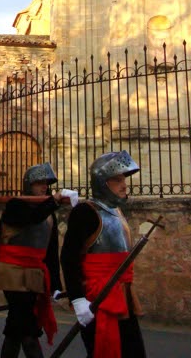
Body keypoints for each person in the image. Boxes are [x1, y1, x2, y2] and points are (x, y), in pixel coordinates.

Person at [61, 151, 147, 358]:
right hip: (97, 297)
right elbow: (69, 257)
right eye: (117, 179)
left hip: (122, 293)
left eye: (124, 178)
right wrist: (78, 299)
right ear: (102, 182)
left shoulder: (116, 211)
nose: (124, 185)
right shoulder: (86, 212)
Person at [0, 163, 78, 358]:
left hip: (34, 274)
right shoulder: (15, 206)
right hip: (12, 272)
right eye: (39, 183)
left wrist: (55, 284)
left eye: (46, 183)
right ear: (29, 184)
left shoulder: (48, 215)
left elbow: (51, 253)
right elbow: (29, 218)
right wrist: (52, 202)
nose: (44, 187)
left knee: (16, 327)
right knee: (27, 328)